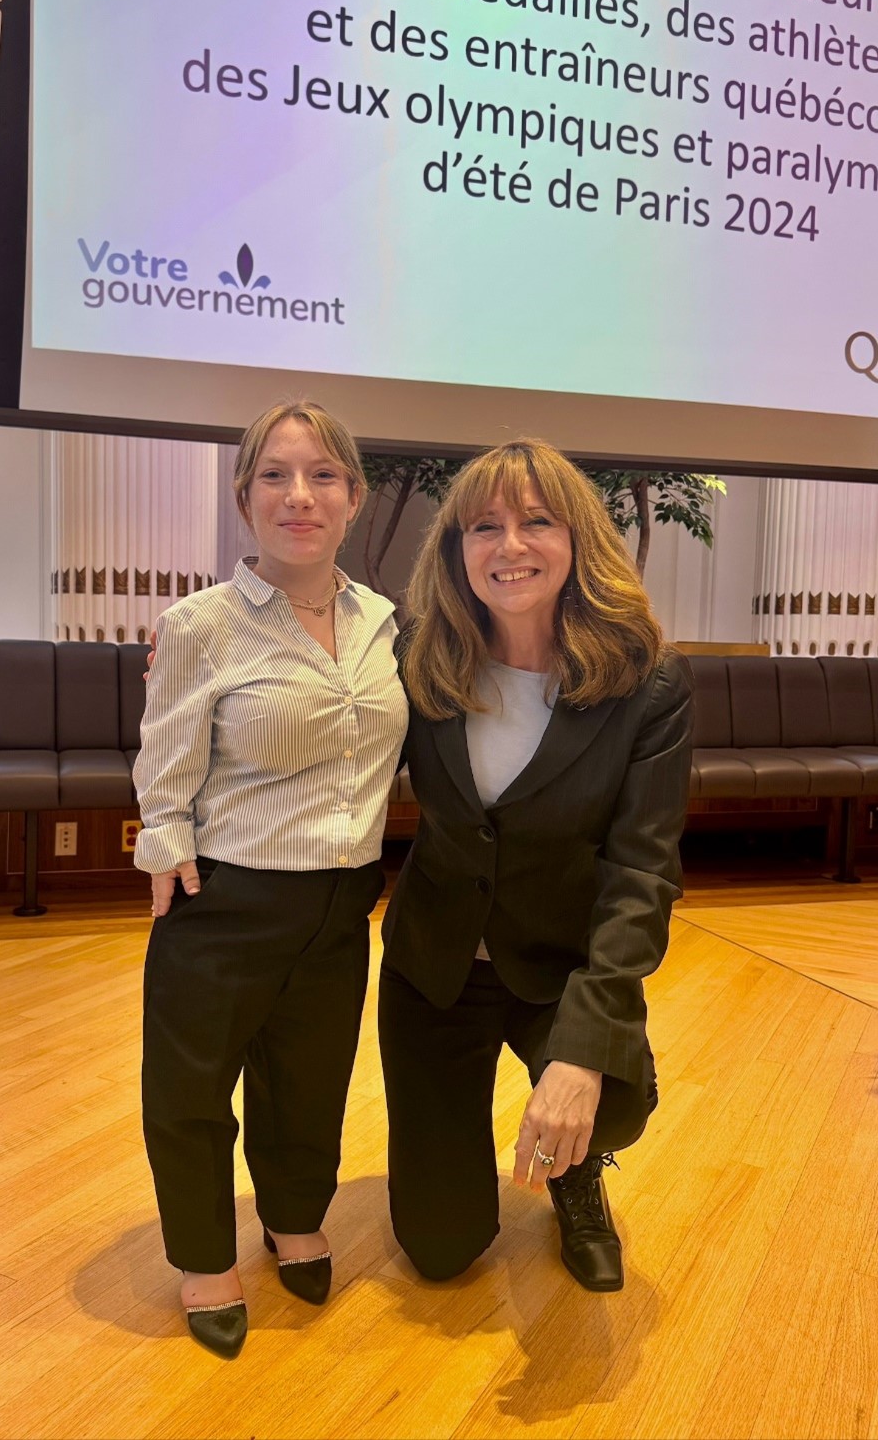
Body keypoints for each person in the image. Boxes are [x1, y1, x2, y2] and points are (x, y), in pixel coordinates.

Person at [379, 438, 693, 1292]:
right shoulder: (415, 655)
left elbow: (643, 875)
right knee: (440, 1250)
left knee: (617, 1098)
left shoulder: (647, 682)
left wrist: (583, 1054)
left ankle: (577, 1167)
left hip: (558, 960)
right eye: (485, 526)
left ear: (577, 538)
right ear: (457, 551)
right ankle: (489, 1159)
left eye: (536, 521)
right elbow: (312, 680)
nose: (509, 545)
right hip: (436, 964)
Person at [133, 402, 407, 1358]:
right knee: (192, 1087)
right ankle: (206, 1255)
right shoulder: (199, 626)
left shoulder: (385, 622)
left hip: (342, 900)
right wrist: (163, 846)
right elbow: (163, 764)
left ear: (355, 497)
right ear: (244, 494)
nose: (301, 495)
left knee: (310, 1078)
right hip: (228, 899)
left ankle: (294, 1213)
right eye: (276, 475)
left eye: (324, 475)